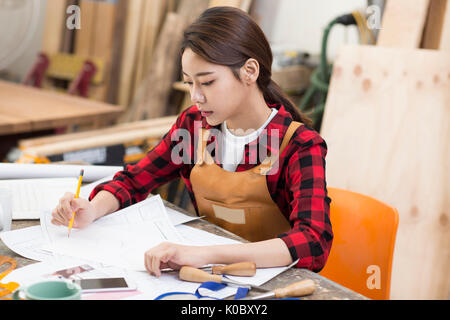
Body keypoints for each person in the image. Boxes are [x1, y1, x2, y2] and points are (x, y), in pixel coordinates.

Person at [51, 6, 333, 277]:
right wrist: (92, 209)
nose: (195, 97)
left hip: (271, 283)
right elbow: (134, 180)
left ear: (250, 71)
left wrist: (206, 254)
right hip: (208, 279)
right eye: (189, 83)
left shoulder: (300, 146)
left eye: (207, 82)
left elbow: (313, 242)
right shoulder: (194, 126)